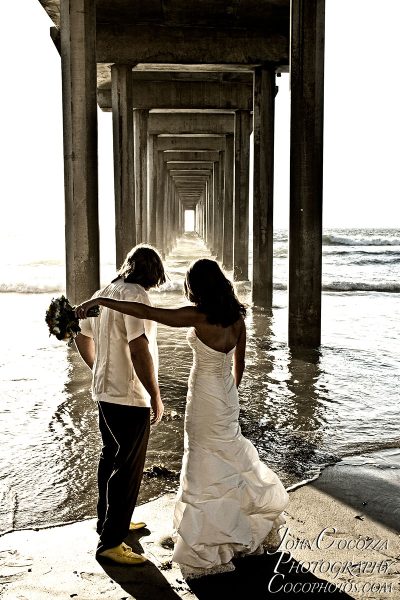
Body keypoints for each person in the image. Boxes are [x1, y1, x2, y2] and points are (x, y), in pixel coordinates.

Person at [76, 258, 289, 578]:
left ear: (196, 287)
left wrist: (100, 300)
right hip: (226, 397)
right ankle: (235, 524)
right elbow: (238, 367)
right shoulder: (238, 319)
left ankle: (208, 536)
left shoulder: (197, 316)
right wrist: (228, 397)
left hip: (203, 400)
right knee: (230, 459)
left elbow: (146, 313)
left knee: (201, 463)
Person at [74, 244, 166, 565]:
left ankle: (110, 522)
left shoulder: (106, 291)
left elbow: (80, 334)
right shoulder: (136, 296)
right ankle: (111, 543)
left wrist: (97, 368)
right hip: (128, 396)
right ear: (153, 273)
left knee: (110, 457)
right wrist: (154, 393)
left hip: (104, 392)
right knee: (128, 467)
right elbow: (139, 349)